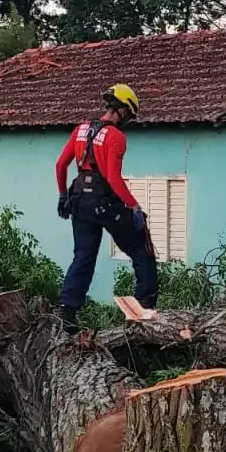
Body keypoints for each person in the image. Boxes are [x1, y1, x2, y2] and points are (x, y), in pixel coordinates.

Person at [55, 84, 158, 331]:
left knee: (83, 256)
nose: (128, 120)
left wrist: (62, 196)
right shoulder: (116, 137)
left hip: (79, 201)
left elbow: (60, 166)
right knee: (141, 248)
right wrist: (134, 208)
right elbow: (112, 177)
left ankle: (66, 313)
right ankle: (145, 306)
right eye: (129, 115)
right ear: (121, 109)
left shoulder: (80, 130)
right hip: (106, 204)